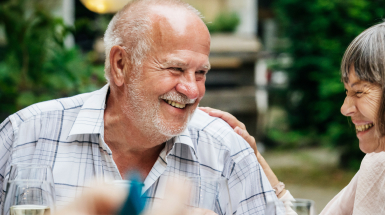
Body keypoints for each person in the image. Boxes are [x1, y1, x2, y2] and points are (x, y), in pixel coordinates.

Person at [0, 0, 283, 214]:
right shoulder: (25, 135)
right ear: (121, 65)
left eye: (201, 73)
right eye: (175, 68)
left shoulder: (225, 151)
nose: (193, 89)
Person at [201, 19, 385, 214]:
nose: (345, 108)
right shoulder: (377, 165)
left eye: (359, 92)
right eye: (347, 92)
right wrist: (255, 160)